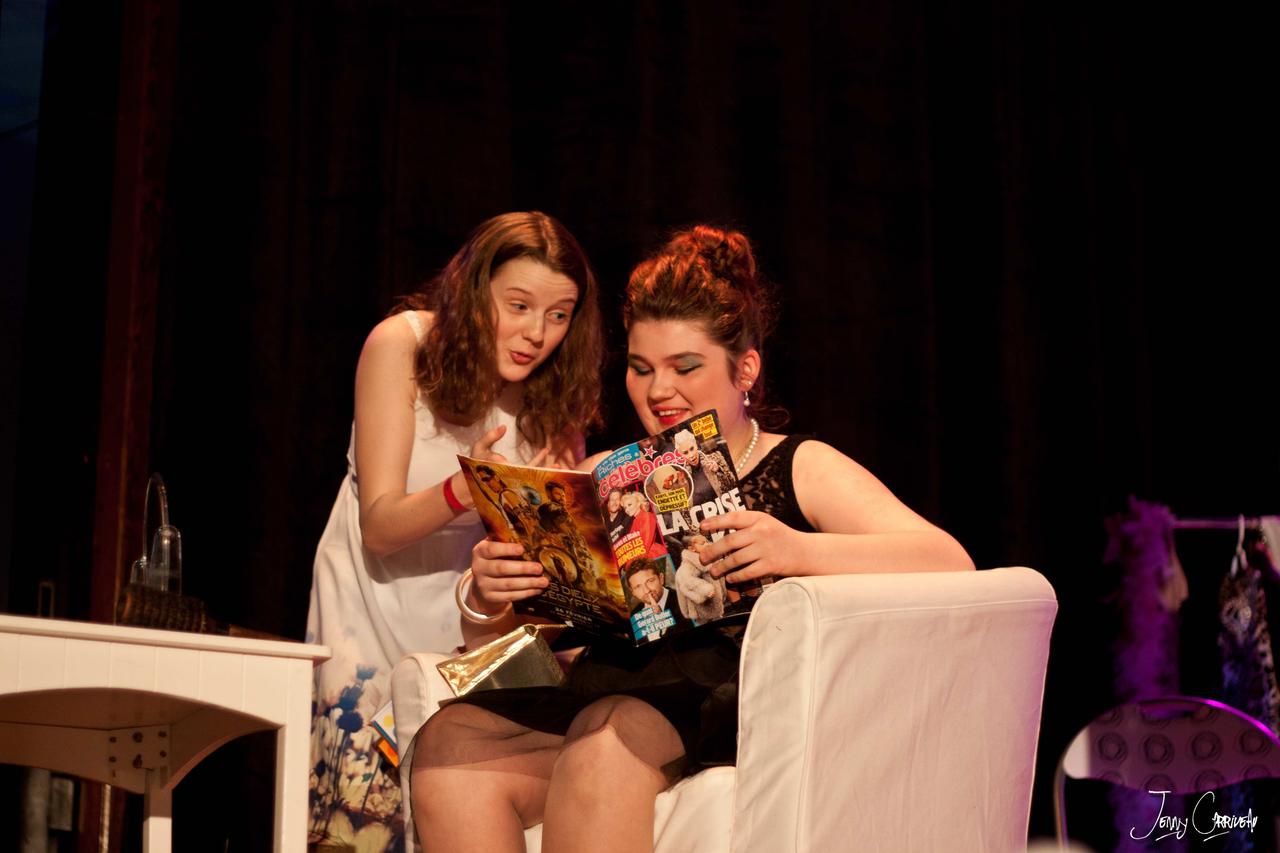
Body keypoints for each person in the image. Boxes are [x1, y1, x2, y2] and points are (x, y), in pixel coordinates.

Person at [411, 224, 974, 853]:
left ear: (745, 369)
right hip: (606, 690)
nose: (658, 390)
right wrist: (487, 597)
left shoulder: (797, 464)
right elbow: (516, 640)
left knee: (606, 736)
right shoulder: (600, 474)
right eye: (641, 368)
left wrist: (798, 550)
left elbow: (949, 560)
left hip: (713, 702)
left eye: (685, 367)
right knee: (449, 743)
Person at [304, 211, 604, 850]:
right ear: (474, 290)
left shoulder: (554, 404)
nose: (536, 333)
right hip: (368, 618)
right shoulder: (403, 346)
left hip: (469, 641)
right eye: (518, 306)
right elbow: (380, 526)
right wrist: (466, 490)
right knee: (360, 827)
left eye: (558, 315)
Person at [673, 532, 726, 624]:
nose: (707, 544)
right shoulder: (688, 566)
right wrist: (706, 589)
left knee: (718, 622)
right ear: (692, 549)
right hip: (700, 609)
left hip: (716, 603)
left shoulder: (708, 559)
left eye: (707, 541)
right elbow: (687, 581)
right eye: (702, 543)